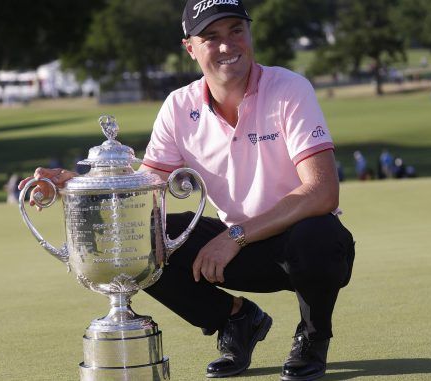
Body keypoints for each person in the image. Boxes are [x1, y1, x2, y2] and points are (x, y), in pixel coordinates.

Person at [19, 2, 354, 380]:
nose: (227, 45)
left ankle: (313, 337)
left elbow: (323, 192)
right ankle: (236, 320)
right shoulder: (179, 106)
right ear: (190, 48)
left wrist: (235, 236)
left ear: (250, 34)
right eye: (211, 37)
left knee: (319, 234)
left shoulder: (289, 88)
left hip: (299, 247)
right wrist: (79, 186)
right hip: (235, 252)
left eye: (236, 31)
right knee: (145, 235)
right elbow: (143, 196)